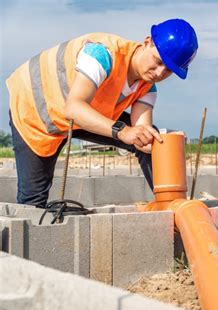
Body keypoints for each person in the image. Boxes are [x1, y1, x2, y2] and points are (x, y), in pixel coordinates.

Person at [6, 18, 198, 208]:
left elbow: (142, 135)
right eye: (158, 61)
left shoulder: (147, 87)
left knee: (149, 134)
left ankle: (170, 205)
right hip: (35, 111)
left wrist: (165, 142)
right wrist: (123, 132)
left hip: (83, 117)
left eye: (168, 70)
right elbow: (73, 108)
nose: (158, 73)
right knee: (33, 204)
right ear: (147, 42)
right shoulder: (102, 54)